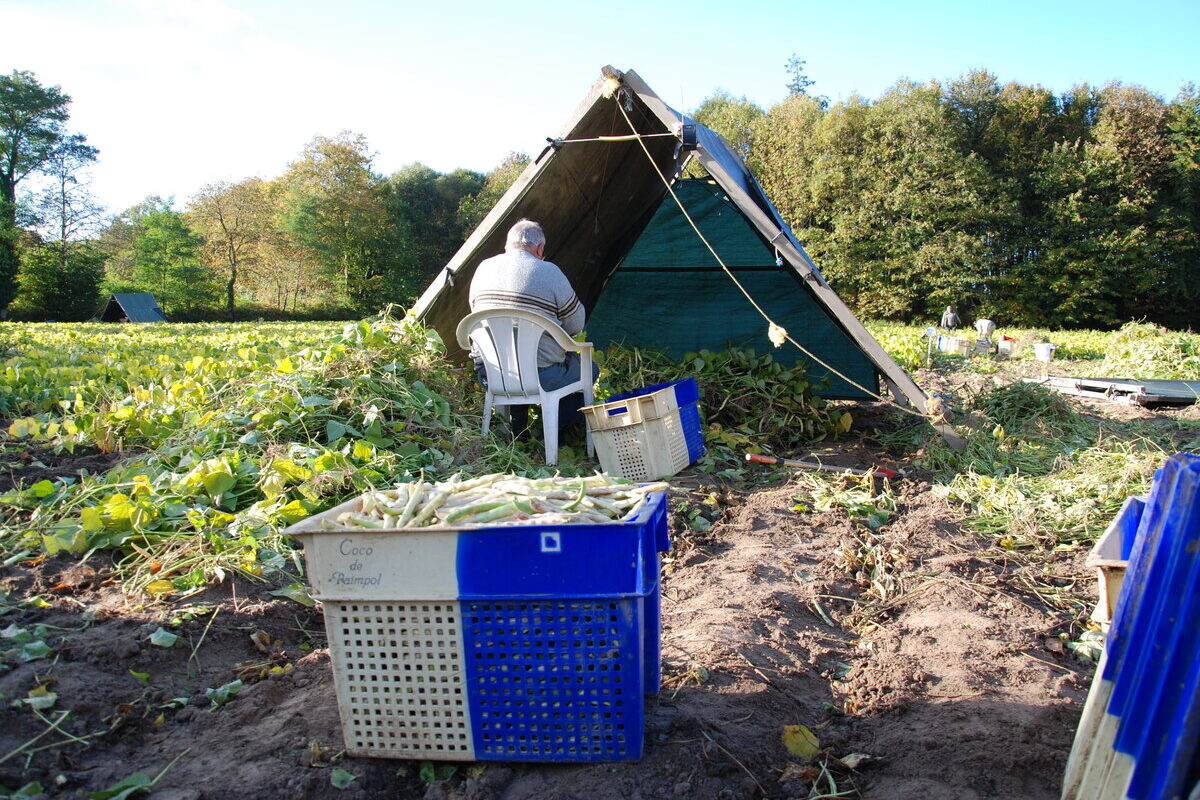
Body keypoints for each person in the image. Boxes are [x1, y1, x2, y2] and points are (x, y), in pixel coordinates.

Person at [468, 219, 599, 436]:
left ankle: (517, 433)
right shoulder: (549, 272)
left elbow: (475, 312)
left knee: (520, 363)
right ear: (539, 249)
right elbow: (576, 324)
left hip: (490, 374)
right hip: (541, 377)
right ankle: (552, 431)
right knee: (589, 369)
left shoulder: (483, 268)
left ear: (507, 245)